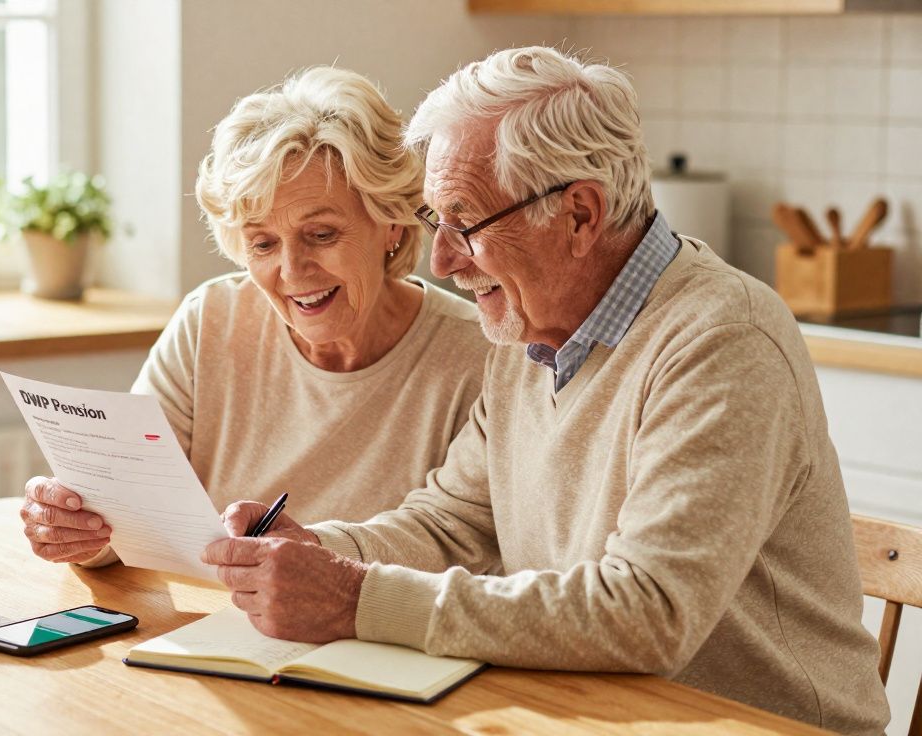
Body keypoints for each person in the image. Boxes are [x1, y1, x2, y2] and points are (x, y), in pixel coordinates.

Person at [202, 47, 890, 734]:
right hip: (595, 716)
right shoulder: (528, 331)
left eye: (465, 223)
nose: (440, 259)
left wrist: (355, 598)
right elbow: (453, 525)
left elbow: (649, 611)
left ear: (580, 214)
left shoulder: (722, 340)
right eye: (436, 221)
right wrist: (317, 552)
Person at [20, 67, 490, 568]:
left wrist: (318, 562)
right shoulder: (211, 321)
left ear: (392, 220)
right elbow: (127, 512)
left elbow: (458, 542)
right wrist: (80, 531)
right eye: (263, 243)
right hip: (209, 613)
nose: (292, 270)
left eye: (322, 235)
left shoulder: (476, 356)